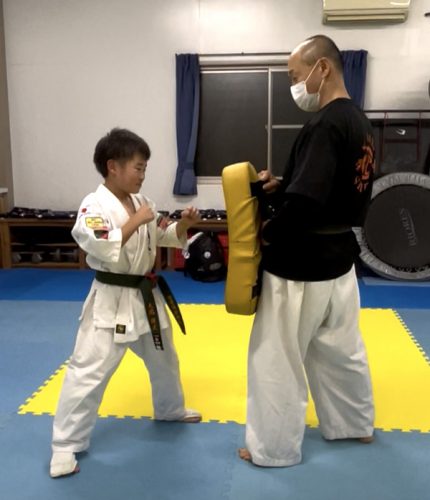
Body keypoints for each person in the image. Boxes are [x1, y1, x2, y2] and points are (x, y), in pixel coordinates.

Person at [239, 35, 375, 467]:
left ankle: (273, 449)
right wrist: (282, 186)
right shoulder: (358, 121)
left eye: (295, 76)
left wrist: (266, 233)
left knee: (277, 356)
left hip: (300, 263)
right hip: (340, 258)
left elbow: (306, 202)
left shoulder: (324, 125)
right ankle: (354, 424)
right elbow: (329, 188)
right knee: (341, 348)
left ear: (323, 69)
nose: (293, 86)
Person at [50, 128, 201, 478]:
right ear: (113, 166)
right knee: (88, 371)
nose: (142, 175)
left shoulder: (141, 201)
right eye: (138, 167)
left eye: (145, 168)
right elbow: (99, 243)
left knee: (165, 359)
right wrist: (137, 220)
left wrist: (184, 225)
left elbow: (162, 234)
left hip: (146, 297)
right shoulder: (93, 206)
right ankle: (65, 444)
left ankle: (169, 409)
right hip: (111, 299)